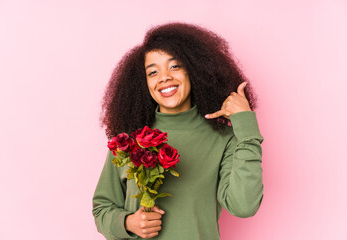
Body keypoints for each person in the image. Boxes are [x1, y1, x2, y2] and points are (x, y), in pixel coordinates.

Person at [92, 22, 264, 239]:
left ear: (194, 70)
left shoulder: (224, 138)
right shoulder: (129, 140)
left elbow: (244, 206)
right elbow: (102, 207)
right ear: (143, 83)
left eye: (175, 66)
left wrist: (246, 124)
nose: (164, 77)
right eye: (153, 72)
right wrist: (128, 223)